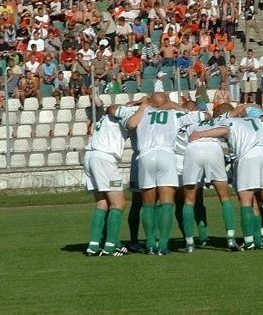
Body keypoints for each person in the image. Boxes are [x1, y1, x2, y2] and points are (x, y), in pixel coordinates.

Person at [189, 103, 263, 249]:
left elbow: (223, 129)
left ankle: (250, 241)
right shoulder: (253, 119)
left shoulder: (227, 120)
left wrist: (200, 134)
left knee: (245, 200)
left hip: (248, 155)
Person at [126, 92, 201, 255]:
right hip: (166, 154)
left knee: (148, 204)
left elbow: (130, 124)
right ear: (166, 101)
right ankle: (163, 246)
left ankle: (150, 245)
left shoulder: (142, 111)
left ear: (150, 101)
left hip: (145, 156)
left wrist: (141, 105)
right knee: (167, 203)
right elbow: (201, 116)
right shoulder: (174, 113)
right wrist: (175, 106)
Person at [83, 103, 137, 257]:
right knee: (119, 203)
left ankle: (93, 246)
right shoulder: (121, 114)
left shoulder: (106, 118)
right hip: (105, 159)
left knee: (103, 203)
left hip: (90, 156)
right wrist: (143, 106)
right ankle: (111, 246)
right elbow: (132, 122)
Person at [181, 116, 239, 252]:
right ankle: (231, 238)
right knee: (224, 196)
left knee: (189, 199)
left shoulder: (188, 121)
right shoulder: (218, 120)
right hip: (213, 147)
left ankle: (189, 243)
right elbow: (225, 130)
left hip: (192, 149)